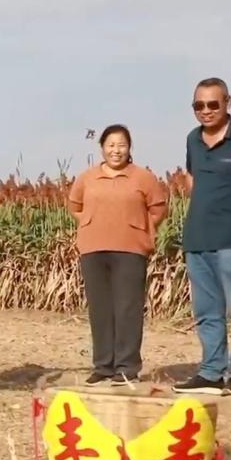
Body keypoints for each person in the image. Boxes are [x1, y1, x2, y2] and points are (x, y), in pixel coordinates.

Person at [173, 78, 231, 396]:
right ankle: (211, 372)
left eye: (213, 104)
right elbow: (192, 179)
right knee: (207, 313)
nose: (206, 110)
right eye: (199, 105)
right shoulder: (193, 139)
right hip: (198, 238)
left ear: (228, 103)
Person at [67, 125, 168, 386]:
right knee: (100, 309)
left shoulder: (143, 177)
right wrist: (91, 221)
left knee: (128, 308)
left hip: (131, 248)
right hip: (93, 248)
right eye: (111, 145)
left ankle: (126, 367)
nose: (116, 150)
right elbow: (74, 206)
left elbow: (158, 209)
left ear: (129, 148)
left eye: (121, 145)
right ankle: (103, 365)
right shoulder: (87, 177)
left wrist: (141, 228)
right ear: (102, 148)